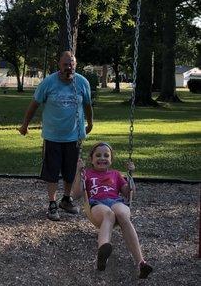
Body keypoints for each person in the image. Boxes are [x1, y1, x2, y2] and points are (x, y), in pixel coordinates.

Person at [19, 51, 93, 221]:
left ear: (76, 65)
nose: (69, 67)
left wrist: (90, 123)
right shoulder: (48, 82)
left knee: (70, 170)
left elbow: (88, 105)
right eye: (66, 64)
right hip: (53, 136)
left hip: (74, 135)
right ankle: (52, 203)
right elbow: (34, 104)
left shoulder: (82, 82)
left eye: (72, 64)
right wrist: (25, 125)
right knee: (52, 171)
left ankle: (66, 200)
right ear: (59, 65)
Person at [73, 142, 153, 279]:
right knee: (108, 214)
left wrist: (131, 175)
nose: (102, 158)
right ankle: (103, 251)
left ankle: (141, 263)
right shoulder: (87, 174)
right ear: (91, 159)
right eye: (98, 155)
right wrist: (78, 172)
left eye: (106, 155)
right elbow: (76, 194)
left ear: (111, 159)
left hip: (116, 201)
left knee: (121, 213)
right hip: (97, 203)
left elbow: (128, 193)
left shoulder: (116, 174)